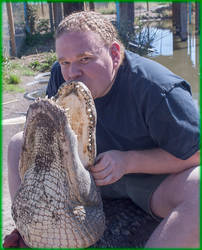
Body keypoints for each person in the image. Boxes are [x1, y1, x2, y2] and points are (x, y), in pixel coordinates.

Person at [4, 11, 199, 248]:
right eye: (65, 61)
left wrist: (128, 162)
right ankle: (29, 230)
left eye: (85, 58)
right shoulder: (60, 75)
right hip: (84, 177)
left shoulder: (159, 89)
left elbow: (195, 154)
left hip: (149, 182)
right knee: (18, 143)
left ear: (114, 54)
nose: (72, 72)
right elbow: (46, 139)